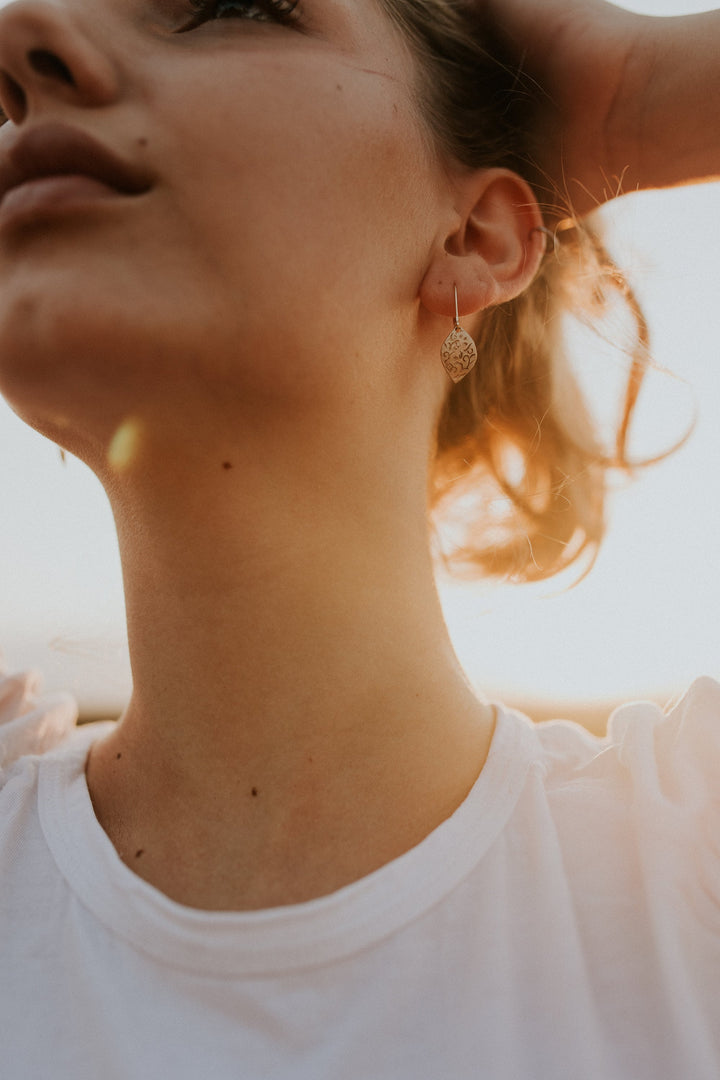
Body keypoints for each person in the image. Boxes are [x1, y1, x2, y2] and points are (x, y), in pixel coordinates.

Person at [0, 0, 718, 1075]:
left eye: (228, 2)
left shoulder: (689, 871)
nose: (22, 33)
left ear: (477, 237)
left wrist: (638, 96)